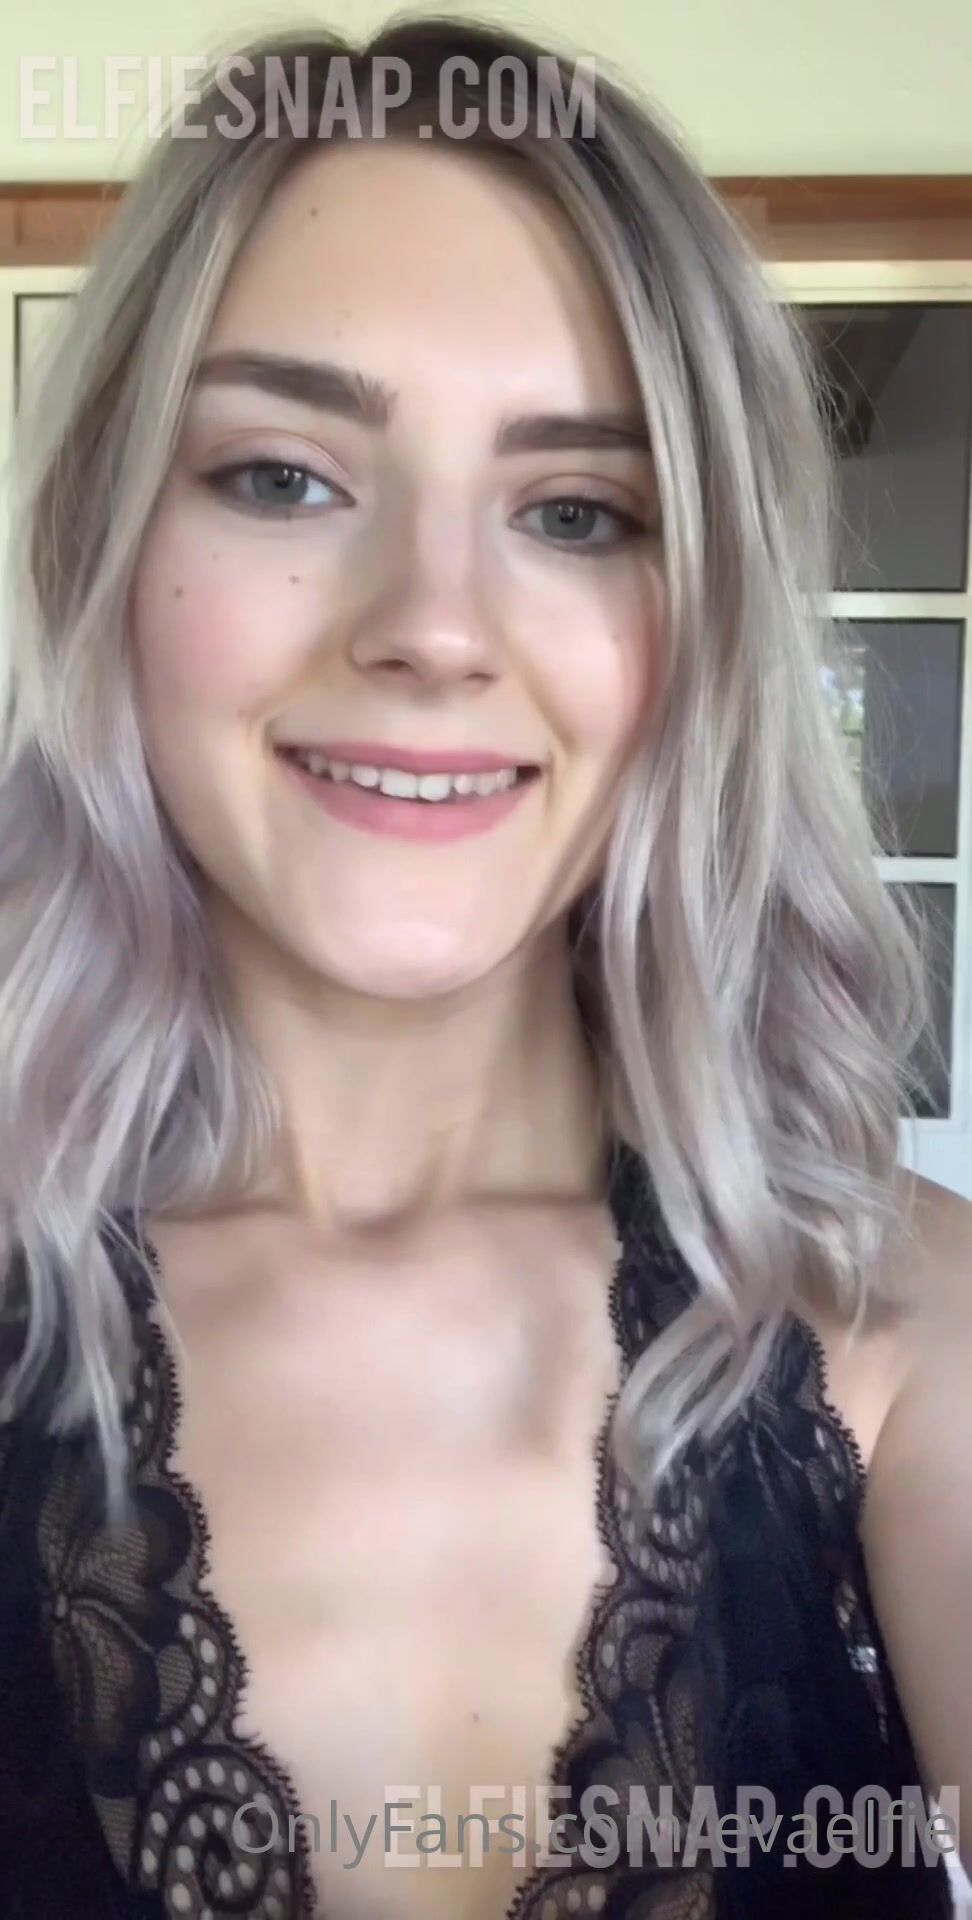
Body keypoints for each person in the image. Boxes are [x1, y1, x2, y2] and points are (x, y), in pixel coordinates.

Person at [0, 17, 969, 1920]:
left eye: (577, 513)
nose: (435, 628)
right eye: (285, 479)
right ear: (103, 544)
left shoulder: (912, 1329)